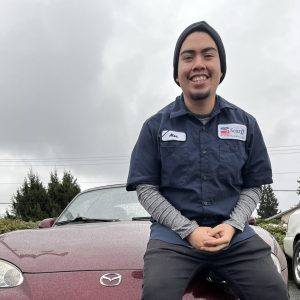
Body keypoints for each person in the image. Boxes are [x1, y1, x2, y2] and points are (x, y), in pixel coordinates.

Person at [126, 21, 289, 300]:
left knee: (273, 291)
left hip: (234, 237)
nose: (198, 64)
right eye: (188, 57)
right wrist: (189, 231)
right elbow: (146, 189)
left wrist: (233, 224)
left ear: (221, 69)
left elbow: (252, 186)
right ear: (177, 73)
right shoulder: (155, 127)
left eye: (208, 55)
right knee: (157, 293)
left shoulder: (246, 124)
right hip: (173, 239)